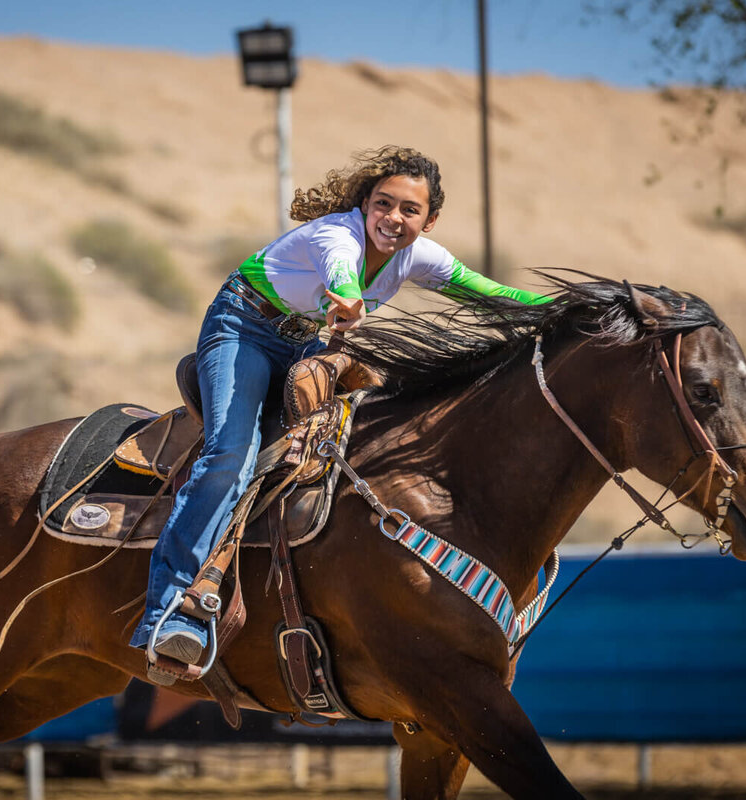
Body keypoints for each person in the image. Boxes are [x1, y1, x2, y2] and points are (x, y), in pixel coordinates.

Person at [131, 145, 550, 683]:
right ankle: (166, 613)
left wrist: (573, 310)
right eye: (383, 204)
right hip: (243, 326)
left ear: (431, 219)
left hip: (308, 343)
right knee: (232, 454)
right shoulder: (336, 235)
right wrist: (348, 302)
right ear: (365, 204)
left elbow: (489, 294)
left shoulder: (419, 257)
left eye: (409, 210)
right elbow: (341, 277)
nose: (393, 219)